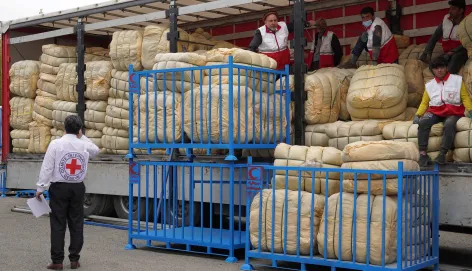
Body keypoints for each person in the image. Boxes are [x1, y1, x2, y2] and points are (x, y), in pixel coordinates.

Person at [35, 115, 99, 270]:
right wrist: (81, 135)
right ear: (79, 129)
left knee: (58, 223)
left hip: (59, 188)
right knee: (76, 223)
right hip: (78, 187)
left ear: (64, 127)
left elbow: (48, 167)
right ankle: (74, 260)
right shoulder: (84, 145)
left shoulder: (56, 144)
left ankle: (57, 261)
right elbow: (96, 150)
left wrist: (40, 188)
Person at [413, 56, 472, 166]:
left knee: (449, 124)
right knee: (423, 122)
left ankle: (442, 154)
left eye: (441, 67)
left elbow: (465, 97)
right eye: (436, 68)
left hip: (453, 112)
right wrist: (418, 114)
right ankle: (423, 154)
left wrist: (470, 110)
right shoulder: (429, 85)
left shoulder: (457, 80)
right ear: (433, 70)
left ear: (446, 68)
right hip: (435, 112)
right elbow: (425, 102)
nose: (439, 70)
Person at [248, 11, 315, 70]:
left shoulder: (283, 26)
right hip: (269, 67)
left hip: (284, 64)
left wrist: (307, 23)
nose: (273, 22)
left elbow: (296, 26)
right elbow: (252, 47)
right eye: (270, 21)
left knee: (285, 83)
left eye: (275, 20)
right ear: (265, 22)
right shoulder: (260, 32)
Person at [419, 0, 467, 74]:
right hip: (447, 53)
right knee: (433, 65)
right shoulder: (446, 20)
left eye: (453, 9)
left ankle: (448, 80)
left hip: (461, 52)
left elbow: (467, 43)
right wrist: (427, 52)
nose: (450, 11)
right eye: (450, 8)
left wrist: (452, 52)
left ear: (461, 11)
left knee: (454, 59)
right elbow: (435, 36)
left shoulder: (466, 23)